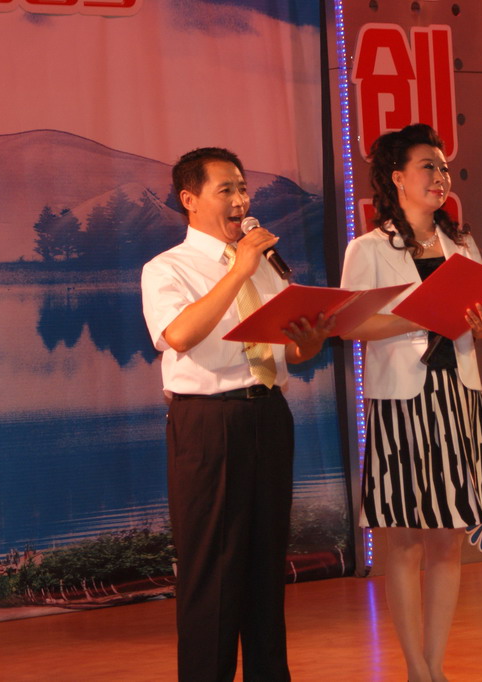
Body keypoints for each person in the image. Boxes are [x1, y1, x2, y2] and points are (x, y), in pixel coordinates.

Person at [141, 147, 333, 681]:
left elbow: (291, 352)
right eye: (226, 189)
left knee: (266, 569)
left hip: (268, 415)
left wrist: (312, 339)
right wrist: (239, 268)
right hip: (209, 424)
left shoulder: (266, 266)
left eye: (243, 188)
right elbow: (179, 334)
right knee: (212, 574)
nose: (241, 200)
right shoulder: (167, 268)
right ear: (190, 200)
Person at [339, 123, 482, 682]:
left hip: (457, 395)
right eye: (428, 166)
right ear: (397, 178)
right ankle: (414, 667)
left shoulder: (463, 245)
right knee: (405, 541)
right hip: (402, 403)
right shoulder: (367, 248)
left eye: (444, 167)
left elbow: (478, 326)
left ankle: (436, 663)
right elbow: (351, 325)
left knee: (449, 539)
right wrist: (422, 314)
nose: (440, 176)